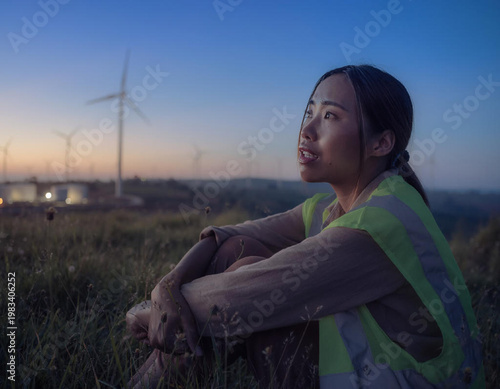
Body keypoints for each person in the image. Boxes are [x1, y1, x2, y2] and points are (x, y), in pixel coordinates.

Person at [126, 65, 484, 388]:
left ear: (381, 142)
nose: (307, 130)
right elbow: (231, 235)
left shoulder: (380, 223)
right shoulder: (332, 206)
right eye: (309, 112)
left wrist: (148, 312)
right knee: (234, 254)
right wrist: (166, 287)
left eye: (329, 116)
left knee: (247, 280)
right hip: (368, 367)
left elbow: (242, 298)